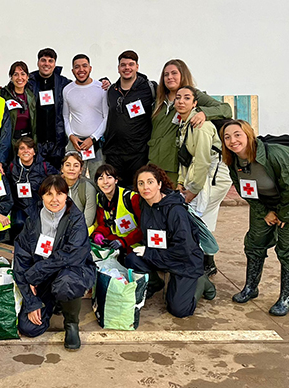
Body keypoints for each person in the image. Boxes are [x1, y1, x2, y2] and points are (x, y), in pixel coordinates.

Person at [221, 120, 289, 316]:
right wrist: (265, 212)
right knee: (254, 243)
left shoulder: (273, 154)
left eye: (237, 134)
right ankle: (251, 288)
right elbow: (245, 191)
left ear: (249, 135)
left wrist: (284, 214)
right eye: (227, 137)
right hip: (265, 204)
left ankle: (286, 298)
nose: (232, 140)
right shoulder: (233, 161)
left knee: (288, 251)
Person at [13, 175, 96, 350]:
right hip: (42, 277)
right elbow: (21, 258)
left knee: (66, 283)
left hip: (71, 271)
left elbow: (72, 255)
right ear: (42, 196)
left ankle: (71, 324)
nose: (54, 199)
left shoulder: (76, 219)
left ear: (67, 195)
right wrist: (31, 300)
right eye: (49, 194)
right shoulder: (33, 220)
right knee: (29, 327)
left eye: (59, 194)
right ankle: (53, 301)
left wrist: (35, 273)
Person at [124, 164, 216, 318]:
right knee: (132, 259)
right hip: (161, 255)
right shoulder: (144, 203)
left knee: (179, 310)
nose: (145, 187)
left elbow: (184, 249)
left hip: (184, 261)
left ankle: (201, 281)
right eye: (141, 183)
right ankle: (155, 284)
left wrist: (150, 252)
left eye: (150, 182)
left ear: (159, 184)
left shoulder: (176, 211)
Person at [174, 86, 232, 275]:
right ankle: (206, 262)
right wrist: (181, 182)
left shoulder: (200, 126)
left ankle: (204, 263)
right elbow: (184, 157)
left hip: (214, 175)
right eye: (178, 98)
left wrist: (193, 191)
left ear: (195, 103)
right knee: (202, 217)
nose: (181, 101)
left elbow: (202, 160)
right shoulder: (183, 125)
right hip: (201, 174)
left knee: (198, 216)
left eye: (187, 98)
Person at [149, 59, 232, 184]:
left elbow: (226, 109)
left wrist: (204, 113)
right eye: (166, 74)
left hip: (176, 165)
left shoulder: (193, 95)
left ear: (183, 75)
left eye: (174, 73)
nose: (170, 77)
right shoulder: (158, 100)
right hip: (154, 162)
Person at [102, 50, 156, 188]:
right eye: (123, 65)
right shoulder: (111, 90)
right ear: (118, 68)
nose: (127, 68)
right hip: (114, 153)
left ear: (137, 67)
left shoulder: (149, 88)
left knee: (137, 191)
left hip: (138, 153)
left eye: (131, 64)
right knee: (116, 192)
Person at [62, 54, 108, 178]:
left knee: (97, 178)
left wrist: (93, 138)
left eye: (84, 66)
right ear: (72, 71)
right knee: (71, 178)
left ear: (90, 68)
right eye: (77, 67)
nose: (81, 70)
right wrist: (71, 136)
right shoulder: (67, 90)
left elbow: (106, 117)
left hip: (96, 143)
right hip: (75, 142)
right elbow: (65, 116)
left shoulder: (101, 88)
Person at [27, 48, 72, 169]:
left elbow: (82, 86)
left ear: (54, 64)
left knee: (56, 181)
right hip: (36, 142)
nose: (47, 64)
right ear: (38, 63)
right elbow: (10, 88)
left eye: (50, 61)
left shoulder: (63, 82)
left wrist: (103, 82)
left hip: (57, 143)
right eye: (43, 60)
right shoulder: (29, 82)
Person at [8, 137, 59, 239]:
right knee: (19, 223)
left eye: (29, 148)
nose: (26, 151)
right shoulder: (12, 168)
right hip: (20, 207)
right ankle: (18, 248)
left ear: (34, 152)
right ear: (17, 153)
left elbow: (58, 181)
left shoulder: (45, 166)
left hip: (40, 206)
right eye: (22, 148)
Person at [91, 164, 142, 255]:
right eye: (101, 178)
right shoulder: (100, 198)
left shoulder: (131, 198)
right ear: (97, 183)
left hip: (135, 244)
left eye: (109, 177)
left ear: (116, 180)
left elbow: (143, 227)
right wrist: (99, 233)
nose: (105, 182)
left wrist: (123, 242)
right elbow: (104, 223)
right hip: (116, 240)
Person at [0, 61, 37, 154]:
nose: (20, 78)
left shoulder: (31, 96)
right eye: (15, 74)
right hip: (9, 140)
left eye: (23, 74)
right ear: (11, 77)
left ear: (27, 77)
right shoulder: (3, 95)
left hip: (27, 141)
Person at [61, 151, 97, 228]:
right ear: (62, 169)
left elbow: (88, 221)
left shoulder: (88, 189)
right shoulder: (54, 187)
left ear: (81, 170)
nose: (71, 169)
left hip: (80, 231)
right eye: (67, 165)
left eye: (76, 166)